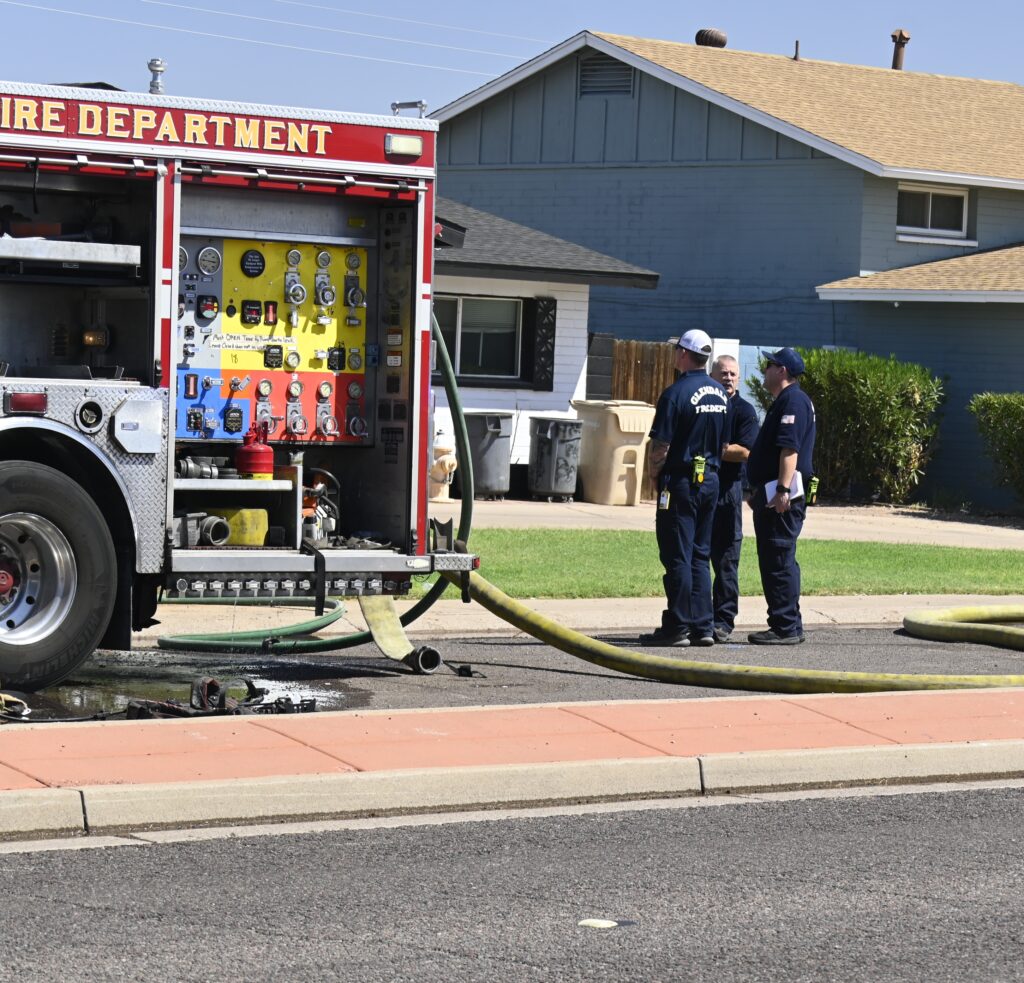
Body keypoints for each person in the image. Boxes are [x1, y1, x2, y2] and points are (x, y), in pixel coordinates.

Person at [640, 329, 729, 648]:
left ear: (683, 354)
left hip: (680, 482)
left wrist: (655, 475)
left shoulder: (675, 393)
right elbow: (723, 445)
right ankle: (703, 626)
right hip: (710, 480)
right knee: (700, 554)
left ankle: (677, 625)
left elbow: (660, 445)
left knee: (677, 553)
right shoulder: (721, 395)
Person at [744, 347, 816, 645]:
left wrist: (783, 490)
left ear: (782, 370)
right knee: (777, 557)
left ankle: (785, 626)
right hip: (772, 492)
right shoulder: (786, 400)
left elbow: (790, 449)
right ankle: (787, 623)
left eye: (769, 365)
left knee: (778, 557)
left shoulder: (793, 401)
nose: (765, 370)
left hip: (781, 496)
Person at [709, 355, 760, 644]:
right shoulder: (705, 405)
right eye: (723, 373)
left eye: (732, 374)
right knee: (697, 555)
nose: (728, 378)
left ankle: (723, 620)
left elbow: (746, 451)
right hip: (701, 488)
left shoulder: (744, 410)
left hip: (729, 490)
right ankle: (698, 617)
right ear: (712, 376)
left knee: (727, 558)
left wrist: (709, 447)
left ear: (738, 378)